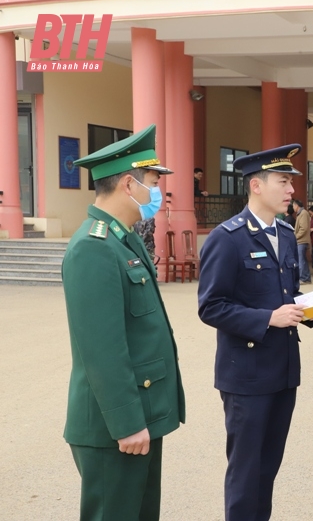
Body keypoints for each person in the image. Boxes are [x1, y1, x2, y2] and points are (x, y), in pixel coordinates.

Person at [61, 124, 185, 521]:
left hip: (141, 416)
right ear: (128, 185)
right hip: (116, 426)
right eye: (152, 181)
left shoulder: (125, 239)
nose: (158, 192)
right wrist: (128, 423)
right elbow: (103, 350)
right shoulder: (93, 248)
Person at [198, 143, 313, 521]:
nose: (291, 190)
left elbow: (286, 293)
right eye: (283, 181)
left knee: (267, 469)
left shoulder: (284, 233)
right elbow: (210, 305)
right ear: (256, 186)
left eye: (290, 182)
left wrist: (311, 307)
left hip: (282, 371)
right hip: (247, 376)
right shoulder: (227, 237)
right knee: (246, 473)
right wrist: (268, 318)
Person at [292, 198, 312, 283]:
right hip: (301, 240)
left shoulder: (303, 213)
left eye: (293, 205)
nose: (292, 207)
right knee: (302, 259)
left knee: (301, 260)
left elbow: (303, 229)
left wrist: (295, 237)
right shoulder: (300, 213)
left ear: (296, 206)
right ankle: (306, 277)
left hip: (302, 240)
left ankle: (303, 278)